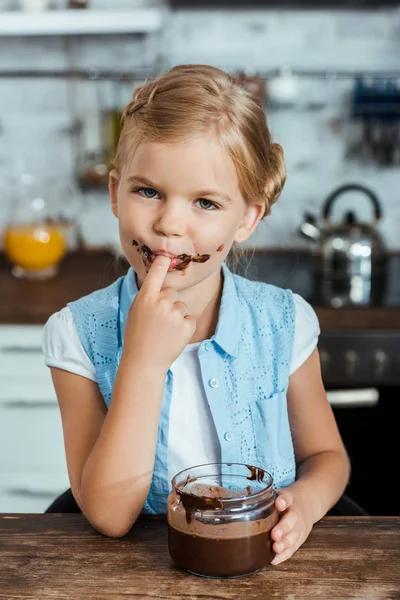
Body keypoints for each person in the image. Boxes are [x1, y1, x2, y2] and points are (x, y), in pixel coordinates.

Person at [43, 64, 350, 565]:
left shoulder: (284, 323)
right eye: (148, 192)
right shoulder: (75, 334)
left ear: (247, 217)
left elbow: (327, 457)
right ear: (114, 193)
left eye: (205, 202)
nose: (168, 224)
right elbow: (110, 515)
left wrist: (308, 503)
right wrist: (142, 364)